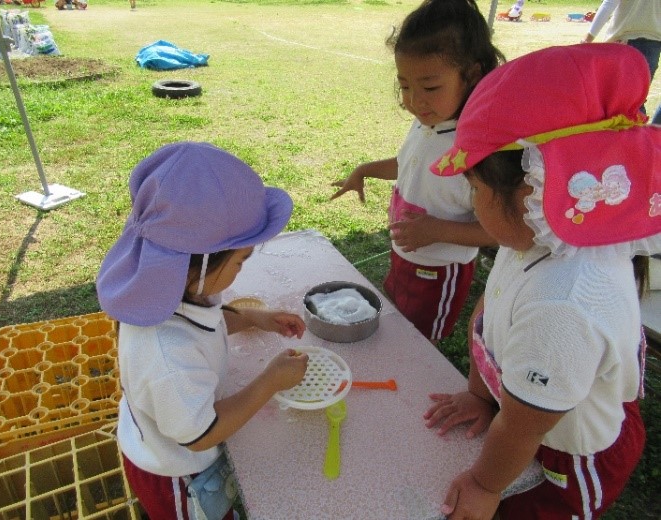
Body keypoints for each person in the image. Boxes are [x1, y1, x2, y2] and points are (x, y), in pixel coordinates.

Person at [425, 43, 660, 519]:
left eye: (475, 187)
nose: (472, 202)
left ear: (535, 186)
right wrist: (479, 393)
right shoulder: (536, 239)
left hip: (570, 456)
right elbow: (489, 315)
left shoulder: (563, 304)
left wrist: (483, 484)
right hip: (531, 412)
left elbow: (520, 430)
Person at [96, 142, 309, 520]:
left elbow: (206, 321)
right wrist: (269, 383)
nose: (243, 268)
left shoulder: (171, 286)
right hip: (178, 475)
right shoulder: (166, 356)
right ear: (199, 263)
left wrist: (254, 318)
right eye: (241, 260)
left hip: (174, 425)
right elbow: (201, 434)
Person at [330, 0, 501, 342]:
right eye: (405, 85)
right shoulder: (427, 125)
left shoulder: (477, 148)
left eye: (430, 87)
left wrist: (436, 229)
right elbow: (409, 164)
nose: (414, 100)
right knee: (393, 317)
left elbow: (498, 232)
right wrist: (364, 170)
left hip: (440, 270)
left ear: (473, 75)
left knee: (419, 341)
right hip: (405, 254)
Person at [582, 0, 661, 122]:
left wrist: (588, 39)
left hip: (623, 42)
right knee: (635, 102)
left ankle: (639, 138)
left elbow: (609, 4)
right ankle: (645, 137)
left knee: (622, 104)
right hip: (653, 43)